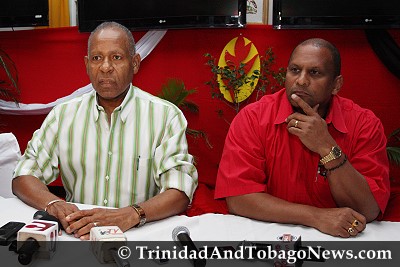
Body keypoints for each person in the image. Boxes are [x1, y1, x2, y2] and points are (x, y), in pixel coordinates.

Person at [12, 21, 198, 239]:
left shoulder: (165, 116)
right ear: (87, 64)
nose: (105, 67)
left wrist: (131, 214)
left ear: (135, 63)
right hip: (77, 234)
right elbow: (23, 174)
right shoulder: (63, 115)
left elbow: (180, 191)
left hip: (139, 233)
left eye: (117, 57)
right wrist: (52, 203)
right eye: (96, 58)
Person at [214, 38, 390, 238]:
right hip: (270, 234)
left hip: (340, 239)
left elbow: (368, 209)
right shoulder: (253, 118)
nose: (301, 80)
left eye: (314, 73)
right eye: (295, 70)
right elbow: (238, 198)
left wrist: (327, 147)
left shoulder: (364, 124)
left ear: (336, 84)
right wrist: (315, 216)